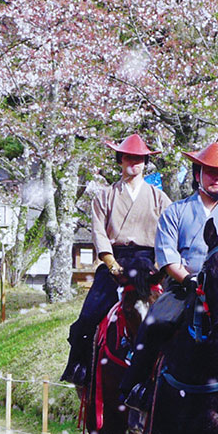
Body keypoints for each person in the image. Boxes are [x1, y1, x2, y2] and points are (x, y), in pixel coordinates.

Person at [121, 142, 218, 414]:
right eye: (211, 171)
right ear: (197, 173)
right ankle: (138, 386)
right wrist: (190, 279)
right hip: (184, 288)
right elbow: (167, 257)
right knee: (153, 324)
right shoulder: (175, 212)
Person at [60, 133, 171, 386]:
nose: (134, 163)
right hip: (116, 263)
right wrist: (111, 263)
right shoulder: (104, 196)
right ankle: (80, 369)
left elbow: (167, 234)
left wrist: (158, 268)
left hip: (149, 264)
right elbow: (99, 232)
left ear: (145, 162)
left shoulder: (159, 198)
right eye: (128, 157)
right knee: (88, 318)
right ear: (120, 160)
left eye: (139, 158)